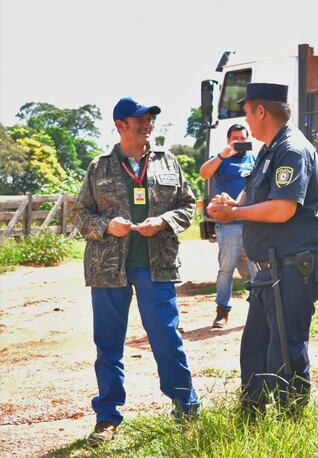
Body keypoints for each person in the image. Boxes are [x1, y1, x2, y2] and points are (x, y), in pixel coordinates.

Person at [73, 97, 200, 444]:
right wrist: (105, 226)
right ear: (120, 125)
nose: (147, 124)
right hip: (108, 269)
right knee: (108, 345)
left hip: (155, 267)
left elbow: (188, 206)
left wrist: (163, 221)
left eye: (149, 118)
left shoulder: (168, 161)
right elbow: (80, 215)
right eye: (139, 119)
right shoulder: (99, 167)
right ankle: (107, 417)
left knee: (166, 339)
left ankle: (186, 409)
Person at [207, 82, 318, 417]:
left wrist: (235, 213)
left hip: (293, 267)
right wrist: (228, 206)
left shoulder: (291, 149)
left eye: (247, 111)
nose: (246, 119)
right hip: (270, 270)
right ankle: (254, 416)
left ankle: (291, 422)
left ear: (260, 111)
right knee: (256, 349)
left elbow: (282, 208)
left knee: (285, 349)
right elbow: (253, 200)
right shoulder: (268, 150)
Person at [198, 124, 258, 328]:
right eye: (235, 138)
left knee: (256, 268)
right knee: (226, 269)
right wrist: (222, 156)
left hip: (252, 222)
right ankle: (222, 311)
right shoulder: (221, 158)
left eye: (243, 138)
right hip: (229, 224)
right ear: (227, 139)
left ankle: (257, 310)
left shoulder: (255, 159)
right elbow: (204, 174)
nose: (239, 142)